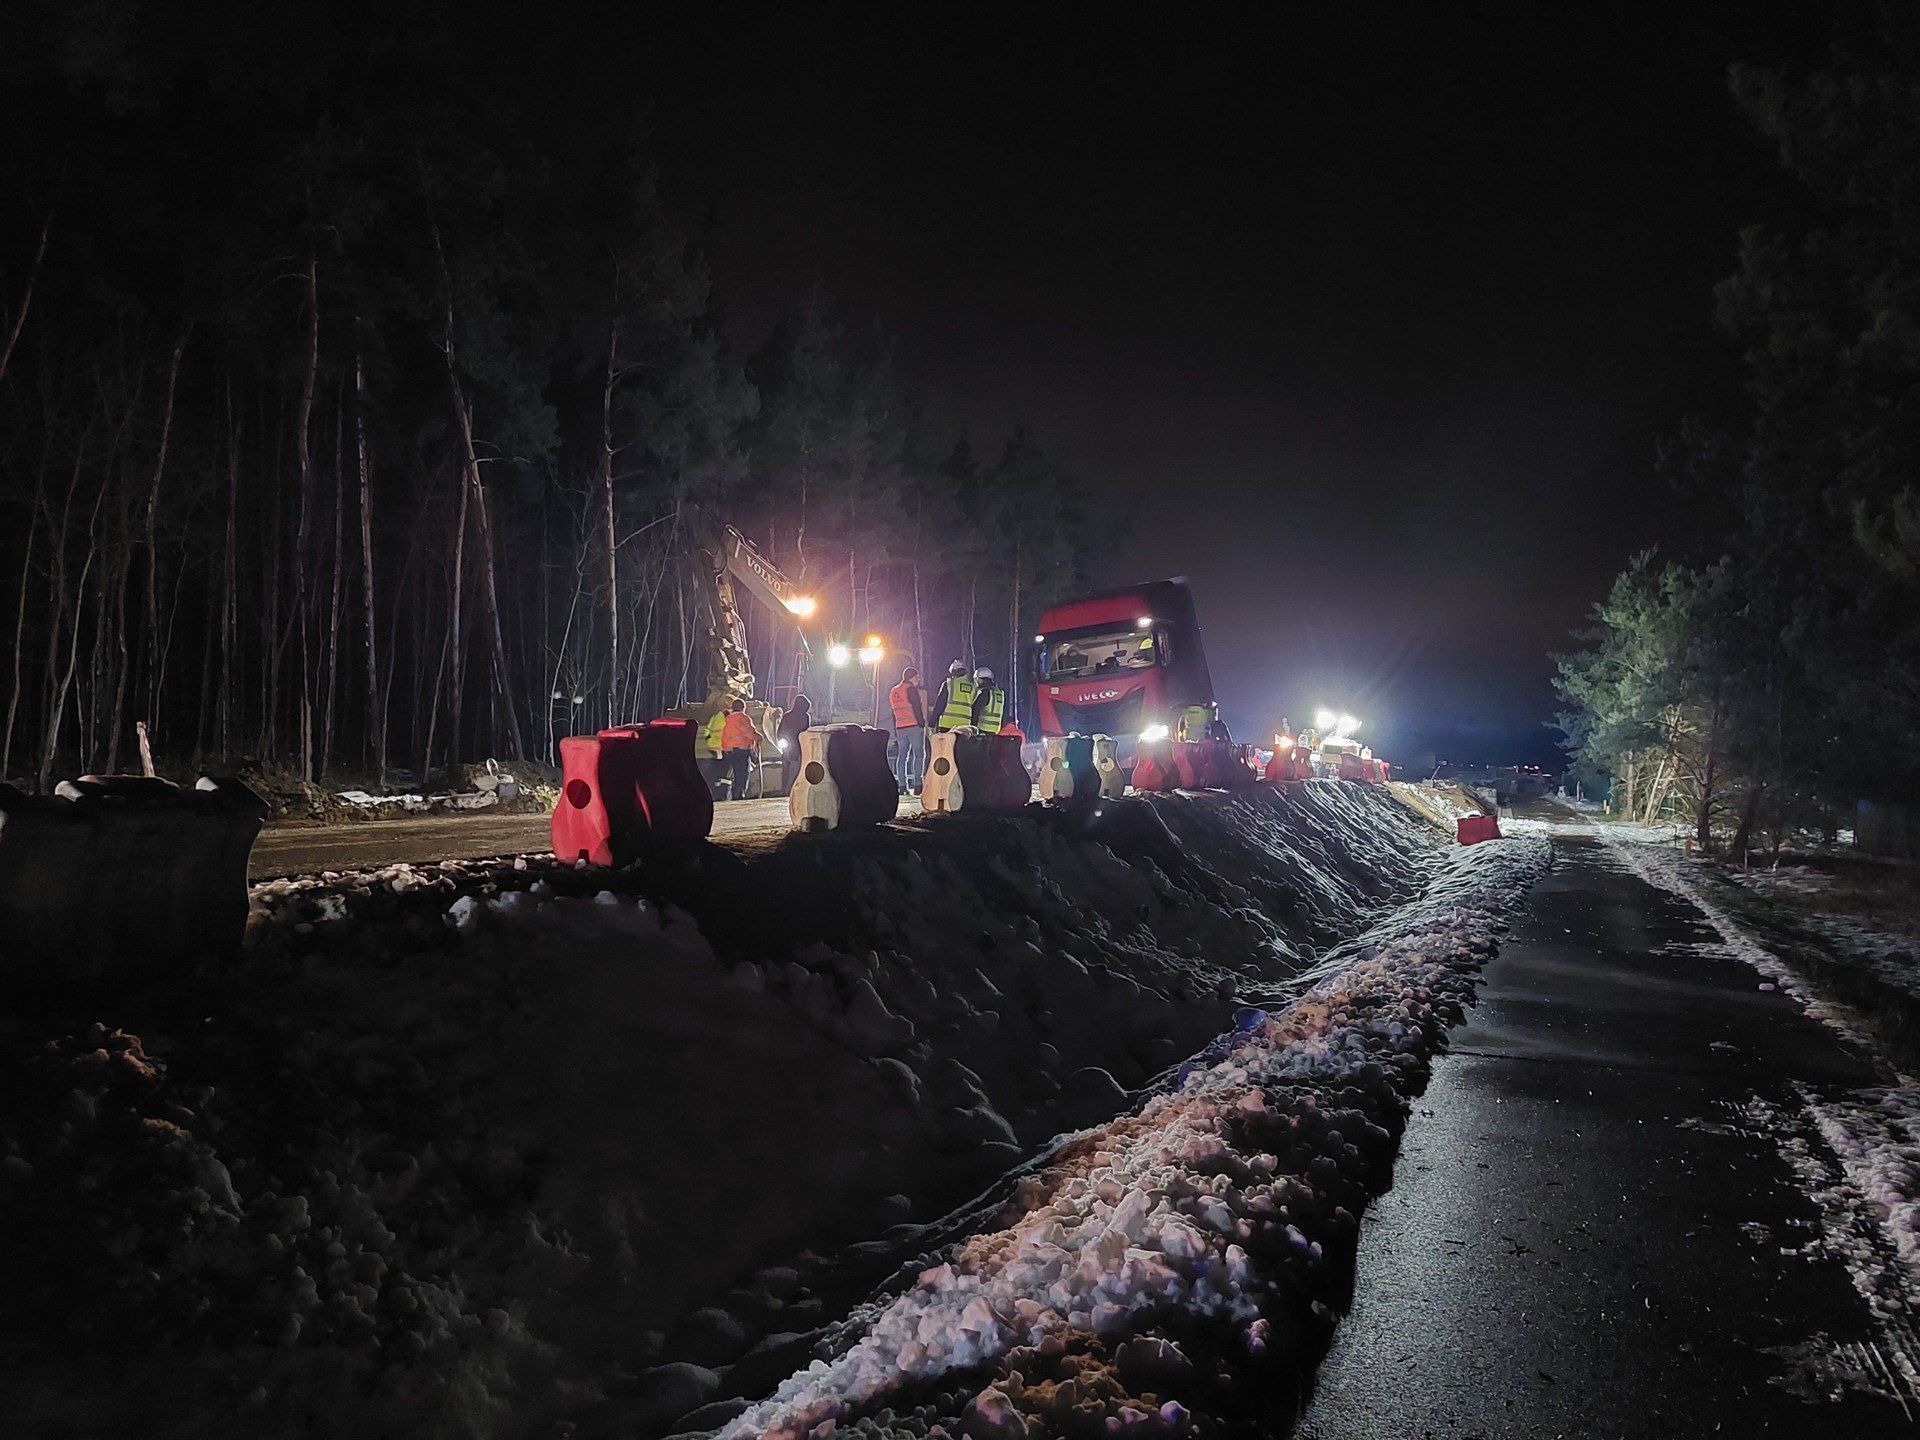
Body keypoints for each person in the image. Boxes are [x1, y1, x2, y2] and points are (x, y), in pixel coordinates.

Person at [887, 666, 927, 793]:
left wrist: (895, 729)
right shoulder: (911, 689)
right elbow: (916, 708)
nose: (918, 679)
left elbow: (893, 713)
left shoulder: (893, 691)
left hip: (900, 727)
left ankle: (902, 786)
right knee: (919, 755)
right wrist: (922, 723)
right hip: (914, 726)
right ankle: (918, 785)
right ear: (911, 677)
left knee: (902, 756)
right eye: (917, 677)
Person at [719, 698, 763, 800]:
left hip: (729, 751)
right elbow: (749, 733)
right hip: (741, 751)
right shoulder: (743, 718)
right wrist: (759, 737)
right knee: (742, 776)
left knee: (734, 775)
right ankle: (739, 797)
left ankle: (731, 796)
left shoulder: (728, 719)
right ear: (743, 707)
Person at [776, 694, 812, 791]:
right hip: (800, 747)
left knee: (786, 770)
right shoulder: (806, 717)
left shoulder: (787, 716)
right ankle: (792, 790)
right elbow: (806, 731)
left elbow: (780, 732)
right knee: (796, 771)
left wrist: (783, 740)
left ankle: (784, 790)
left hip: (787, 746)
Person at [931, 660, 978, 733]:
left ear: (953, 672)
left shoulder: (949, 684)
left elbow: (940, 705)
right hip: (965, 726)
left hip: (947, 724)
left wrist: (932, 723)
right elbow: (975, 708)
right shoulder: (974, 687)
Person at [971, 666, 1006, 733]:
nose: (976, 681)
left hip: (982, 729)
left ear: (982, 679)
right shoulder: (1000, 693)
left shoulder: (985, 693)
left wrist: (973, 728)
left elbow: (976, 710)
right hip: (995, 730)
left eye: (976, 679)